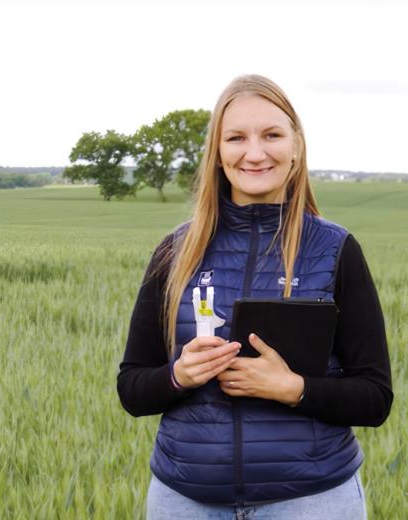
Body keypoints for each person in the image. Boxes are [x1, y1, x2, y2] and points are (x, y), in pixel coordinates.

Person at [117, 75, 392, 519]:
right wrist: (180, 376)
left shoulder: (335, 250)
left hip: (311, 501)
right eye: (236, 138)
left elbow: (376, 397)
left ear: (296, 146)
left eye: (272, 135)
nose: (255, 152)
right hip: (185, 503)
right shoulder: (176, 251)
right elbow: (132, 387)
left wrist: (293, 389)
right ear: (218, 152)